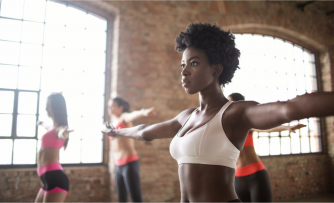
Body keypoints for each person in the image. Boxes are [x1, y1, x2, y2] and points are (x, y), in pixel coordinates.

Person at [102, 22, 334, 203]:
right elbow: (145, 131)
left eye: (193, 63)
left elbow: (289, 108)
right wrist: (117, 131)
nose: (184, 72)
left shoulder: (236, 113)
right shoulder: (186, 116)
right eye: (183, 64)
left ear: (216, 69)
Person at [228, 93, 305, 203]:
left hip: (256, 176)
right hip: (237, 179)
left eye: (231, 102)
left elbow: (267, 128)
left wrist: (286, 127)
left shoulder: (246, 125)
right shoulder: (225, 128)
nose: (228, 105)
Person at [107, 97, 156, 203]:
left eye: (112, 106)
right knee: (121, 199)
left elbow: (131, 115)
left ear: (121, 108)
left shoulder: (123, 118)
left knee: (136, 199)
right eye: (109, 106)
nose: (110, 108)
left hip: (129, 163)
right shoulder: (112, 123)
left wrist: (143, 112)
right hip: (118, 165)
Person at [35, 93, 73, 203]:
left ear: (56, 107)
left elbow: (61, 132)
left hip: (55, 178)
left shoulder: (60, 129)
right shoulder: (53, 128)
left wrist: (64, 133)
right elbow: (48, 126)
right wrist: (41, 123)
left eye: (48, 105)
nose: (46, 108)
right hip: (47, 179)